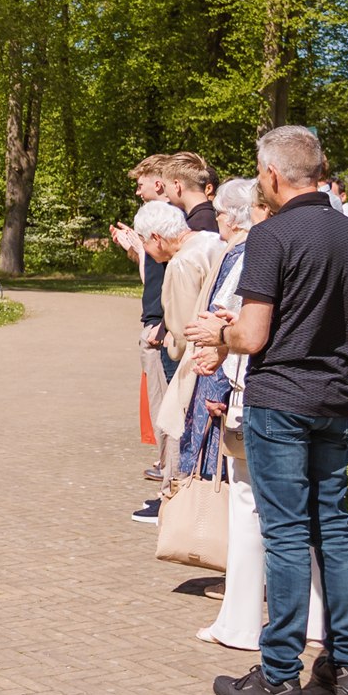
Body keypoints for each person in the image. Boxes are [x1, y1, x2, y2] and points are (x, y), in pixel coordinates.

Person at [195, 124, 348, 695]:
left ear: (272, 174)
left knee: (287, 534)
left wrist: (217, 334)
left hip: (281, 399)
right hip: (336, 397)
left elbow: (253, 335)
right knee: (333, 529)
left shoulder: (271, 236)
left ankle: (278, 677)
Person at [183, 180, 328, 652]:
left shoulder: (261, 249)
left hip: (260, 393)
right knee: (308, 511)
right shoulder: (329, 238)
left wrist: (218, 369)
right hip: (318, 392)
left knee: (249, 508)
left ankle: (242, 622)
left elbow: (236, 329)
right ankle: (315, 620)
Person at [128, 200, 220, 523]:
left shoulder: (181, 263)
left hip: (197, 361)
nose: (146, 251)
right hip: (220, 354)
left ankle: (180, 504)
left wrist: (172, 347)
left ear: (157, 237)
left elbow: (181, 332)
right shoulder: (213, 242)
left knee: (181, 429)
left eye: (145, 243)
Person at [111, 155, 173, 485]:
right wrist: (136, 249)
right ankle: (167, 462)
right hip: (157, 321)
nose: (138, 192)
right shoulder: (167, 223)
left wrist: (139, 246)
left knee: (163, 401)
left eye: (140, 185)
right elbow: (151, 276)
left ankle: (169, 467)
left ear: (158, 183)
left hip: (159, 326)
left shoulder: (165, 224)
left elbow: (162, 282)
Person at [164, 153, 220, 234]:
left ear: (177, 185)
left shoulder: (198, 225)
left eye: (165, 186)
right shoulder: (215, 216)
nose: (165, 194)